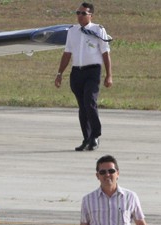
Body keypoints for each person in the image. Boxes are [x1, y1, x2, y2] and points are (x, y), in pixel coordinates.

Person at [55, 2, 113, 152]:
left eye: (83, 13)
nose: (79, 16)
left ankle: (95, 135)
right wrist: (59, 73)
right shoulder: (72, 31)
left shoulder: (98, 30)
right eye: (78, 13)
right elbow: (67, 53)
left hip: (93, 71)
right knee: (82, 107)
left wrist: (109, 75)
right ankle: (86, 138)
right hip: (77, 72)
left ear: (90, 15)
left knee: (90, 101)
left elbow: (105, 53)